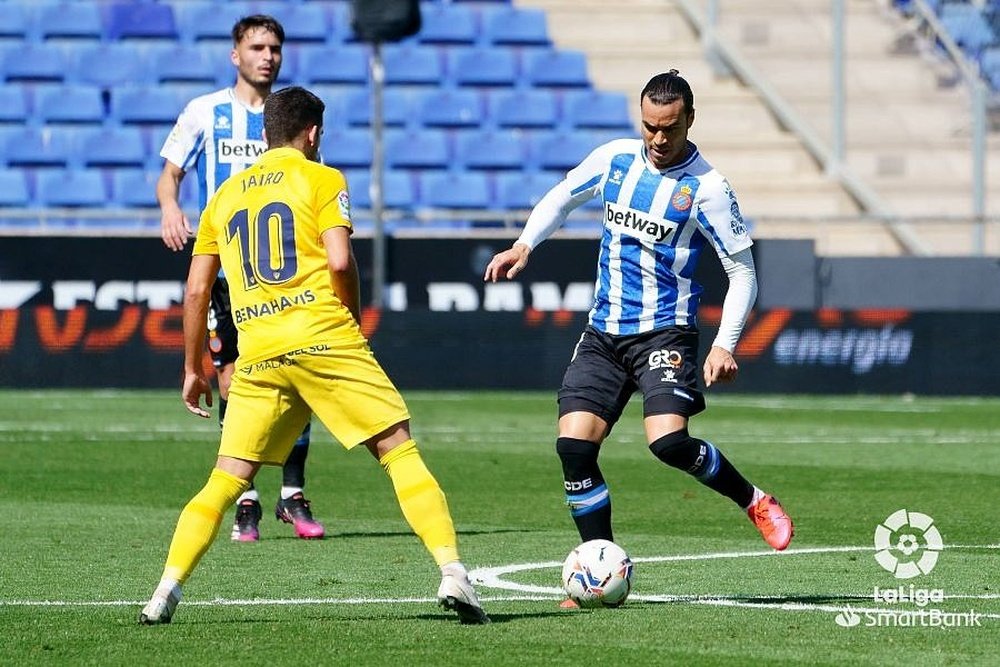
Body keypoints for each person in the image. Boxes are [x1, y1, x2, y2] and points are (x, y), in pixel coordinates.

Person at [140, 86, 489, 626]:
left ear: (264, 134)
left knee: (226, 479)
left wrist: (193, 368)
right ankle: (453, 573)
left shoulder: (223, 197)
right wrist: (349, 316)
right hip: (324, 336)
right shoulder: (323, 178)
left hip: (258, 350)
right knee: (398, 451)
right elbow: (341, 260)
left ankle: (165, 590)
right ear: (313, 134)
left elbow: (195, 291)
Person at [484, 70, 794, 568]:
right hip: (603, 331)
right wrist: (525, 243)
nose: (658, 138)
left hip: (664, 332)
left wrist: (725, 343)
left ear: (690, 120)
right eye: (650, 126)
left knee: (669, 443)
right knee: (574, 448)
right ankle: (599, 561)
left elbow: (742, 271)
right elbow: (564, 195)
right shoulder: (615, 159)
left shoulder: (707, 188)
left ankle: (752, 500)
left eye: (669, 127)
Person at [156, 15, 324, 541]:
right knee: (232, 379)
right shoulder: (205, 112)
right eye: (256, 47)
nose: (267, 56)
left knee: (301, 370)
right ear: (236, 55)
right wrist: (169, 207)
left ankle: (292, 493)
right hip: (231, 271)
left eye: (274, 47)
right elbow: (170, 174)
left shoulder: (293, 117)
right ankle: (246, 498)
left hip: (288, 268)